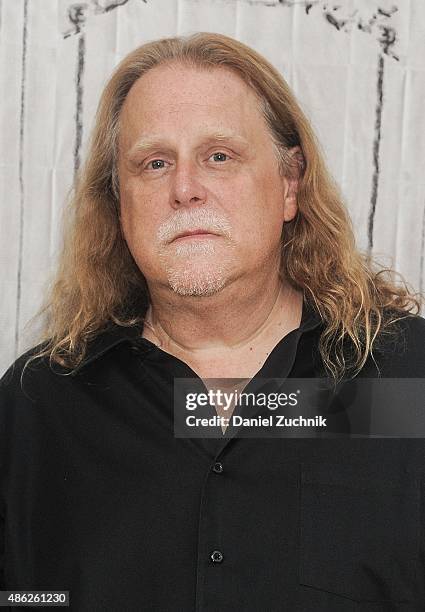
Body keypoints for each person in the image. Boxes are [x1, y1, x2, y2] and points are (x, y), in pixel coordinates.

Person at [1, 31, 425, 611]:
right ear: (118, 204)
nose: (184, 189)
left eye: (219, 156)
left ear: (289, 185)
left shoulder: (408, 384)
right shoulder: (38, 408)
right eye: (154, 163)